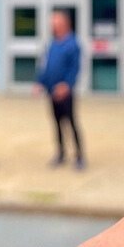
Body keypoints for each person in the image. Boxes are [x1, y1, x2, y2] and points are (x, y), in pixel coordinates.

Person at [35, 11, 85, 171]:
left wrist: (67, 85)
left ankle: (79, 156)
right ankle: (61, 153)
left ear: (64, 23)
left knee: (71, 122)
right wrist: (39, 83)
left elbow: (75, 68)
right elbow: (46, 66)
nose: (52, 26)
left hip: (65, 93)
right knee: (56, 123)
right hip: (51, 91)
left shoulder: (72, 44)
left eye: (55, 22)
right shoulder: (53, 44)